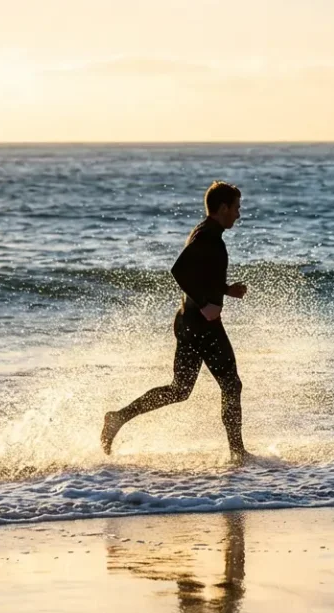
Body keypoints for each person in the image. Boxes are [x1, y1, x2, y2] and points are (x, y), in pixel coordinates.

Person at [102, 181, 251, 464]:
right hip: (201, 324)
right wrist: (207, 303)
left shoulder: (206, 232)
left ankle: (118, 418)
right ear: (223, 208)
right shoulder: (208, 236)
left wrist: (226, 289)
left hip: (189, 321)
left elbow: (201, 274)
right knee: (231, 385)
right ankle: (237, 453)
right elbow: (179, 269)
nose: (238, 215)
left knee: (179, 390)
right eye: (236, 208)